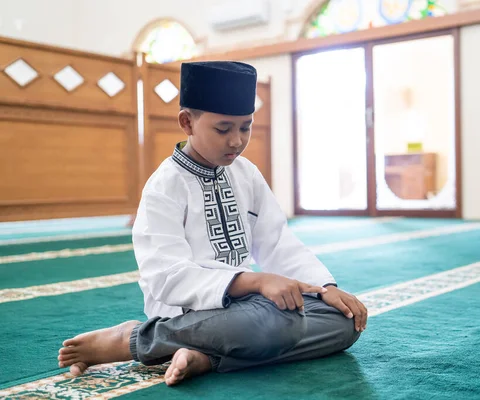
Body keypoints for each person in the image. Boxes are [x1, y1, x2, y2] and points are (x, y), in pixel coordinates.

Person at [57, 61, 368, 386]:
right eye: (223, 129)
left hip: (250, 309)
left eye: (245, 127)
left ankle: (209, 358)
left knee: (342, 322)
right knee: (282, 322)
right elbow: (167, 278)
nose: (236, 141)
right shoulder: (165, 186)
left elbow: (278, 243)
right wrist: (256, 282)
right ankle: (136, 339)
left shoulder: (246, 174)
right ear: (187, 122)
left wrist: (325, 289)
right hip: (188, 313)